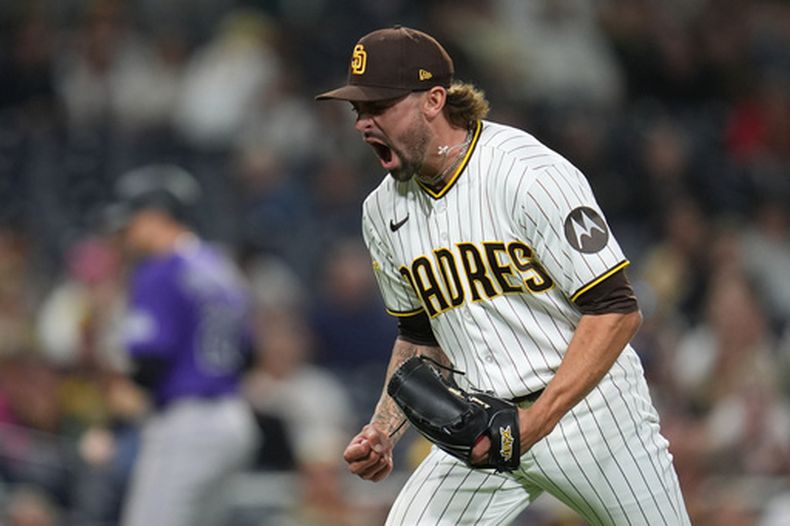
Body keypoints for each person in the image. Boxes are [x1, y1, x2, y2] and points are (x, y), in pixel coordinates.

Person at [316, 26, 691, 525]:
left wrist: (534, 423)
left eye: (378, 106)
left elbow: (617, 311)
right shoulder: (381, 212)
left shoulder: (527, 174)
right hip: (479, 424)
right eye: (357, 110)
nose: (363, 123)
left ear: (433, 100)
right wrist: (384, 429)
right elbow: (420, 336)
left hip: (591, 413)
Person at [108, 165, 260, 526]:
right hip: (233, 421)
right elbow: (249, 354)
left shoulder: (160, 269)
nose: (127, 232)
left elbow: (149, 363)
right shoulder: (219, 267)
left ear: (157, 216)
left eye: (133, 220)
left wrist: (111, 424)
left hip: (187, 425)